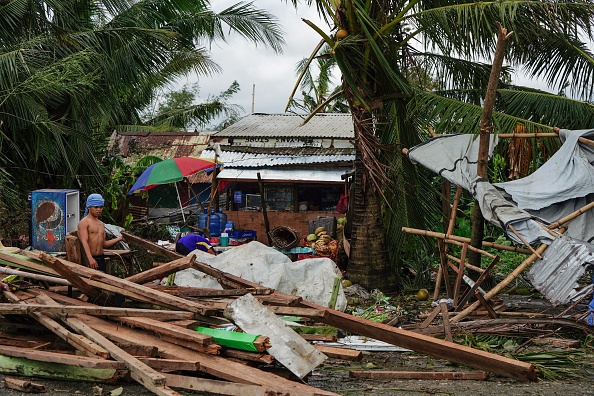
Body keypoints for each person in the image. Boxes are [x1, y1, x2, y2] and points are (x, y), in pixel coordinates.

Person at [78, 193, 123, 272]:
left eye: (101, 207)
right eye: (96, 207)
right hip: (89, 259)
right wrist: (90, 258)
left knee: (103, 282)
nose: (99, 209)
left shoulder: (101, 224)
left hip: (101, 258)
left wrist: (120, 238)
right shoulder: (84, 222)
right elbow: (84, 241)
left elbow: (104, 244)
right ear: (89, 207)